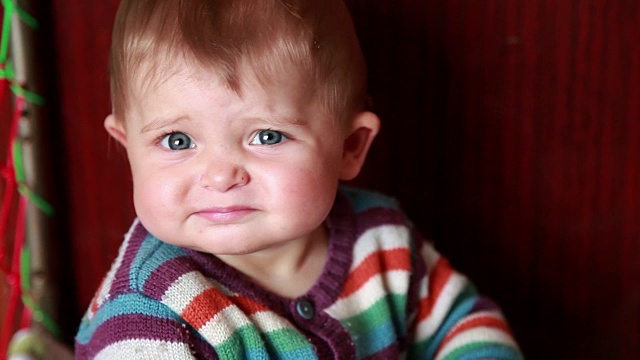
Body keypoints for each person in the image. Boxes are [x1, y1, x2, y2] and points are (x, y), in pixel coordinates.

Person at [75, 0, 523, 358]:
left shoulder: (383, 240)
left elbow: (460, 322)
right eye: (176, 141)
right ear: (127, 145)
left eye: (266, 136)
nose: (219, 174)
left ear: (350, 146)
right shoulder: (148, 318)